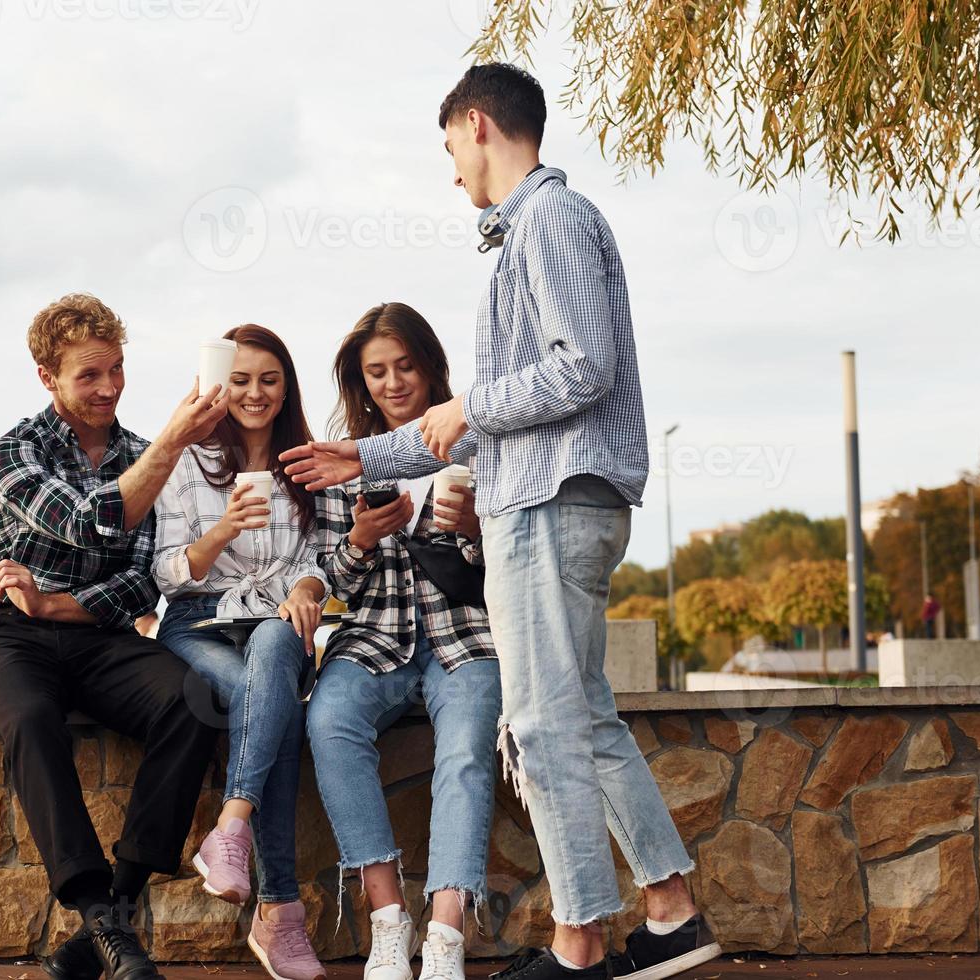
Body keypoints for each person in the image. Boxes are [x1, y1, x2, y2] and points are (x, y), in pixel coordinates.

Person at [281, 65, 719, 980]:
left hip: (553, 504)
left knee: (539, 725)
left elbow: (581, 368)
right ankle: (671, 912)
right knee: (583, 718)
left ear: (478, 125)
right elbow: (479, 421)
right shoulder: (537, 230)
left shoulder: (550, 220)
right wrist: (360, 458)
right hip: (556, 497)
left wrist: (470, 406)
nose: (453, 172)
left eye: (450, 148)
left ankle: (579, 942)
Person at [0, 293, 229, 980]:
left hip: (98, 636)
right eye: (89, 375)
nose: (109, 387)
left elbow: (145, 581)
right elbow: (92, 521)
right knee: (27, 716)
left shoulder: (144, 456)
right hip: (17, 640)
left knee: (196, 698)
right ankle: (95, 909)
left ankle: (115, 909)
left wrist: (60, 605)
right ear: (46, 375)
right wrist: (175, 442)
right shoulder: (14, 454)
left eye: (116, 369)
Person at [305, 303, 502, 980]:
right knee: (329, 720)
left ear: (430, 366)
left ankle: (445, 932)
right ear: (361, 383)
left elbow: (515, 563)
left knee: (470, 746)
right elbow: (331, 580)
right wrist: (360, 540)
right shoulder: (344, 461)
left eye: (405, 366)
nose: (393, 383)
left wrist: (478, 528)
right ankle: (388, 920)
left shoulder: (476, 444)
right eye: (376, 372)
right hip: (373, 638)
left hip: (465, 637)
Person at [152, 324, 330, 980]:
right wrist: (223, 526)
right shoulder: (187, 461)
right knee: (275, 703)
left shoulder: (308, 463)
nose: (254, 393)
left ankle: (232, 828)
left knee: (278, 646)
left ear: (286, 389)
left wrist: (310, 587)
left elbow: (325, 560)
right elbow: (167, 574)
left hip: (278, 623)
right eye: (241, 379)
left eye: (269, 379)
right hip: (200, 623)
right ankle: (280, 910)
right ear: (219, 385)